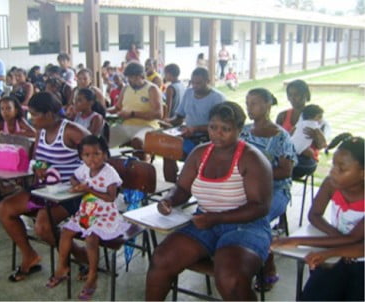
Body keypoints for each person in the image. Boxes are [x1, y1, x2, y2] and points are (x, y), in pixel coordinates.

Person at [146, 102, 273, 301]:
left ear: (240, 130)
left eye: (226, 129)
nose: (217, 134)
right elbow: (183, 188)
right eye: (213, 127)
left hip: (246, 226)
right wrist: (169, 200)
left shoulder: (252, 159)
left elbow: (260, 207)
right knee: (161, 259)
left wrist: (216, 218)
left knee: (230, 279)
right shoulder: (200, 153)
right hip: (204, 221)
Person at [0, 92, 90, 282]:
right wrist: (39, 168)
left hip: (70, 193)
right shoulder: (40, 130)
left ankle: (80, 255)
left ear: (49, 114)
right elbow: (39, 159)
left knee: (42, 227)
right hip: (47, 189)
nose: (31, 119)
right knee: (5, 208)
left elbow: (99, 158)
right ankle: (30, 256)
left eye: (34, 114)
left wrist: (79, 181)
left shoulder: (72, 132)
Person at [272, 133, 364, 301]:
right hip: (338, 253)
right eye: (333, 165)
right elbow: (314, 215)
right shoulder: (331, 184)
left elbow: (357, 241)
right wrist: (336, 236)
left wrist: (298, 240)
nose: (333, 172)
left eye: (342, 169)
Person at [45, 135, 130, 299]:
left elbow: (111, 197)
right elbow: (73, 177)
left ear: (105, 154)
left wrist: (89, 190)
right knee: (65, 231)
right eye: (87, 155)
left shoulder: (109, 172)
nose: (92, 159)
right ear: (81, 157)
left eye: (97, 154)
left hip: (105, 215)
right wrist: (76, 185)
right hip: (87, 213)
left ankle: (92, 276)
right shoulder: (84, 169)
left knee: (91, 239)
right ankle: (62, 267)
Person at [240, 88, 297, 291]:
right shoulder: (243, 131)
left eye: (254, 103)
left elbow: (285, 171)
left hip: (276, 190)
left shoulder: (281, 137)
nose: (249, 108)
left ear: (268, 105)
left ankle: (267, 266)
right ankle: (234, 257)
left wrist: (256, 173)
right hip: (245, 187)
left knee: (255, 218)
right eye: (247, 103)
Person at [162, 67, 225, 182]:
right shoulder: (189, 92)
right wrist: (169, 121)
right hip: (187, 134)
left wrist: (195, 129)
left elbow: (220, 127)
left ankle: (190, 182)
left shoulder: (217, 98)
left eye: (199, 83)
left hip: (207, 139)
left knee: (191, 158)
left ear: (208, 81)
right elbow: (179, 117)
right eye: (193, 83)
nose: (195, 86)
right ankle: (173, 186)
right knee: (167, 150)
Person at [276, 79, 329, 178]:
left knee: (278, 168)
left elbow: (321, 145)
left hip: (305, 160)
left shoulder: (315, 117)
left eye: (297, 94)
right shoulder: (282, 116)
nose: (293, 98)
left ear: (306, 95)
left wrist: (315, 136)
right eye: (290, 95)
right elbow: (275, 139)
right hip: (285, 155)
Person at [108, 62, 163, 152]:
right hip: (125, 126)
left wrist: (132, 114)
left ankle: (143, 164)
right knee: (104, 138)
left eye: (132, 77)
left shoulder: (152, 89)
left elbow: (158, 114)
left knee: (137, 142)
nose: (129, 80)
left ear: (141, 76)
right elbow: (117, 107)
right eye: (128, 77)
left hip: (147, 126)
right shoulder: (126, 88)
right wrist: (104, 111)